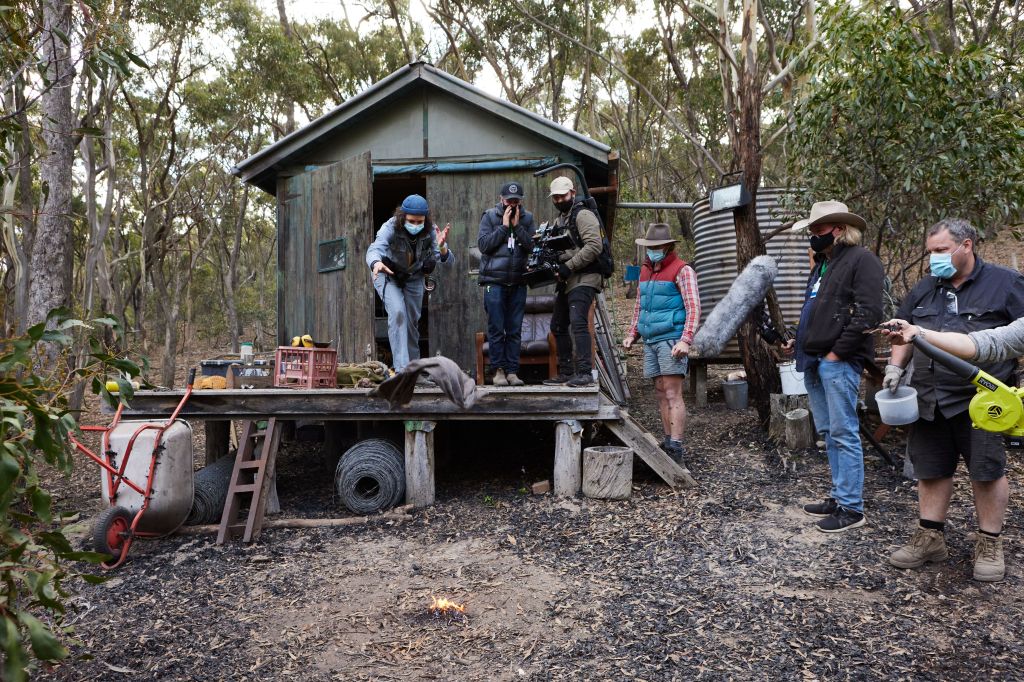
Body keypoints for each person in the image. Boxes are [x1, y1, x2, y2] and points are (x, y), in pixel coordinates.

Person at [880, 218, 1024, 582]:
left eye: (941, 251)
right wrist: (895, 369)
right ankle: (930, 537)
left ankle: (989, 542)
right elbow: (904, 332)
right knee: (930, 469)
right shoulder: (926, 288)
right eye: (930, 252)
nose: (933, 260)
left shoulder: (1006, 284)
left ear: (967, 246)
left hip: (983, 401)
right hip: (930, 397)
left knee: (987, 471)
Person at [782, 200, 884, 533]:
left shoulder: (862, 260)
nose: (813, 235)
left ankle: (852, 508)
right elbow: (820, 313)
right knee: (828, 433)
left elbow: (868, 314)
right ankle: (839, 497)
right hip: (814, 360)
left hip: (836, 362)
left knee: (844, 433)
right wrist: (799, 343)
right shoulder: (824, 264)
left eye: (819, 229)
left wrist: (837, 354)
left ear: (839, 229)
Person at [622, 223, 701, 464]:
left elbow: (693, 307)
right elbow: (640, 306)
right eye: (650, 247)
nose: (652, 251)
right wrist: (632, 333)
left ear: (667, 247)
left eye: (656, 247)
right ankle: (667, 443)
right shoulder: (645, 271)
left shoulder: (682, 270)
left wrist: (686, 340)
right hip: (651, 340)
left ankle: (676, 447)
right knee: (659, 393)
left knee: (672, 392)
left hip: (671, 339)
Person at [366, 194, 453, 374]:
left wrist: (443, 248)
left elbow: (448, 261)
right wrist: (376, 263)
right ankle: (402, 371)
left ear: (425, 219)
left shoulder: (431, 230)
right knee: (398, 314)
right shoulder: (390, 227)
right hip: (387, 274)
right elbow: (375, 248)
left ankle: (414, 371)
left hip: (414, 277)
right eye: (411, 221)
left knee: (412, 322)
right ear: (402, 216)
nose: (415, 225)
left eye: (419, 221)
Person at [542, 176, 605, 388]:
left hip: (586, 276)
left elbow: (594, 246)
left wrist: (568, 265)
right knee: (558, 325)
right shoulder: (560, 220)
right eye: (556, 197)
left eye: (563, 196)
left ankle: (585, 372)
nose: (559, 200)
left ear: (573, 193)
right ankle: (567, 372)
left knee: (578, 322)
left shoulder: (583, 215)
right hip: (569, 279)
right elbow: (564, 250)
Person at [477, 181, 536, 386]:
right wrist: (503, 227)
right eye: (509, 200)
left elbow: (532, 246)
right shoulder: (489, 216)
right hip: (494, 282)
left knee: (514, 329)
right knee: (496, 328)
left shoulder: (527, 218)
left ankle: (512, 371)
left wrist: (517, 226)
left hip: (518, 281)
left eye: (516, 201)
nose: (512, 204)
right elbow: (484, 246)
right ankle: (498, 371)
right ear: (501, 199)